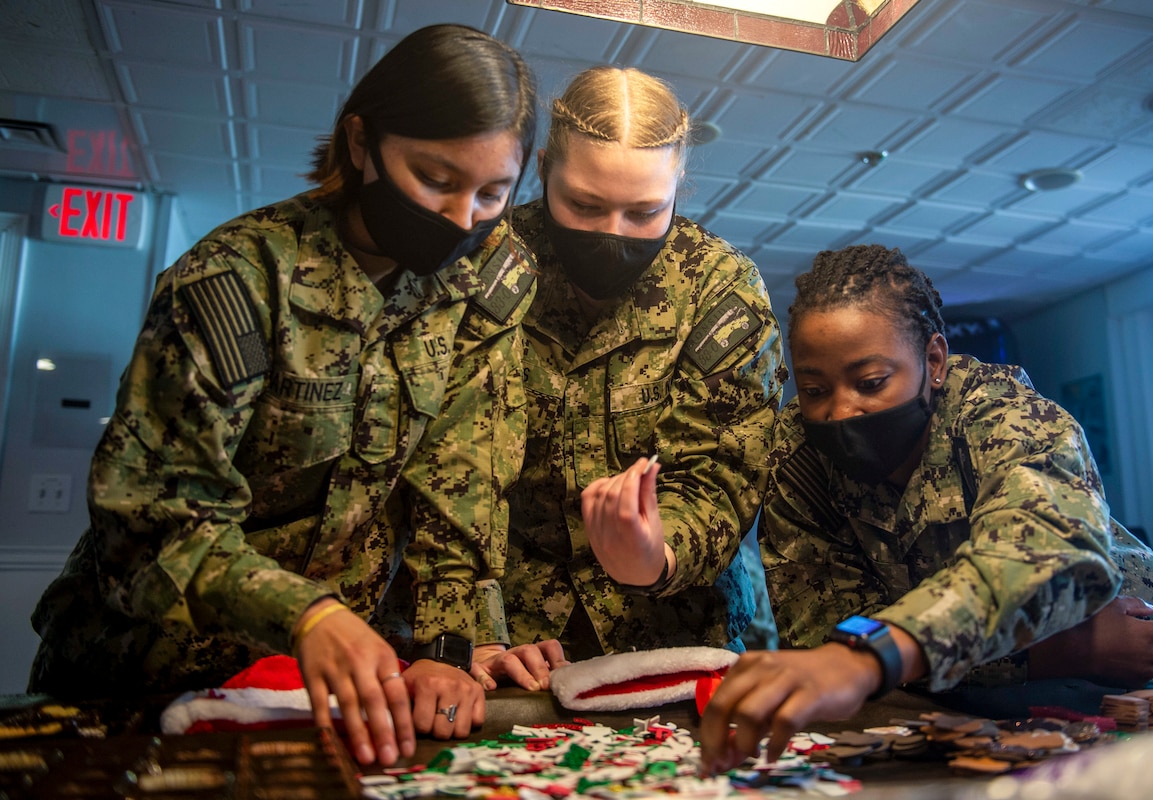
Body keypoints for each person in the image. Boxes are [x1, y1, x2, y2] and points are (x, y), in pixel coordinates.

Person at [28, 23, 559, 767]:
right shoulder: (239, 281)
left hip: (317, 700)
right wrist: (304, 614)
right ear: (360, 144)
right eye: (436, 180)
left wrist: (446, 646)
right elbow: (149, 524)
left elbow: (462, 477)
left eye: (492, 192)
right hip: (143, 678)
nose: (462, 216)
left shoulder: (484, 280)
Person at [699, 244, 1153, 772]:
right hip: (997, 679)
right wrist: (1049, 652)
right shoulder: (800, 457)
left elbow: (1044, 555)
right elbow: (823, 633)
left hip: (1110, 680)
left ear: (933, 361)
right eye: (815, 388)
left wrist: (874, 654)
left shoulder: (1000, 416)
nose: (840, 410)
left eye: (870, 383)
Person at [490, 65, 787, 664]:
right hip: (505, 632)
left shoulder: (718, 288)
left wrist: (656, 552)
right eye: (584, 203)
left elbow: (724, 470)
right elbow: (448, 460)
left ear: (678, 186)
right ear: (544, 167)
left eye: (645, 212)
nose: (612, 234)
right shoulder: (488, 260)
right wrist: (463, 630)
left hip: (665, 631)